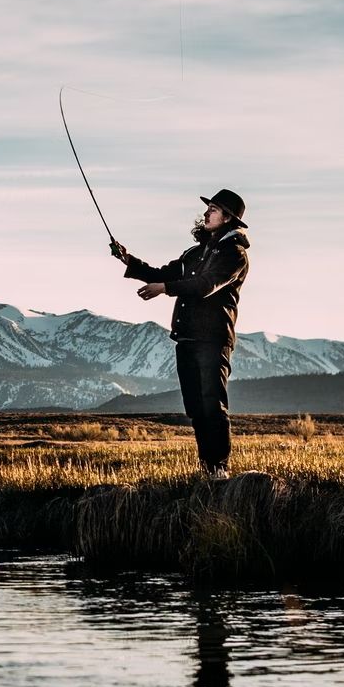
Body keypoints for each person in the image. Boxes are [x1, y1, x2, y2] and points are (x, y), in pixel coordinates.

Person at [109, 189, 251, 481]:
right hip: (186, 337)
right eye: (208, 208)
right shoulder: (195, 252)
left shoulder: (234, 254)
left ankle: (220, 469)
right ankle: (207, 469)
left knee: (213, 403)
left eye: (213, 209)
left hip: (213, 338)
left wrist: (164, 289)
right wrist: (128, 260)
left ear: (228, 218)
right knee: (196, 408)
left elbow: (205, 285)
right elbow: (165, 273)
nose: (207, 213)